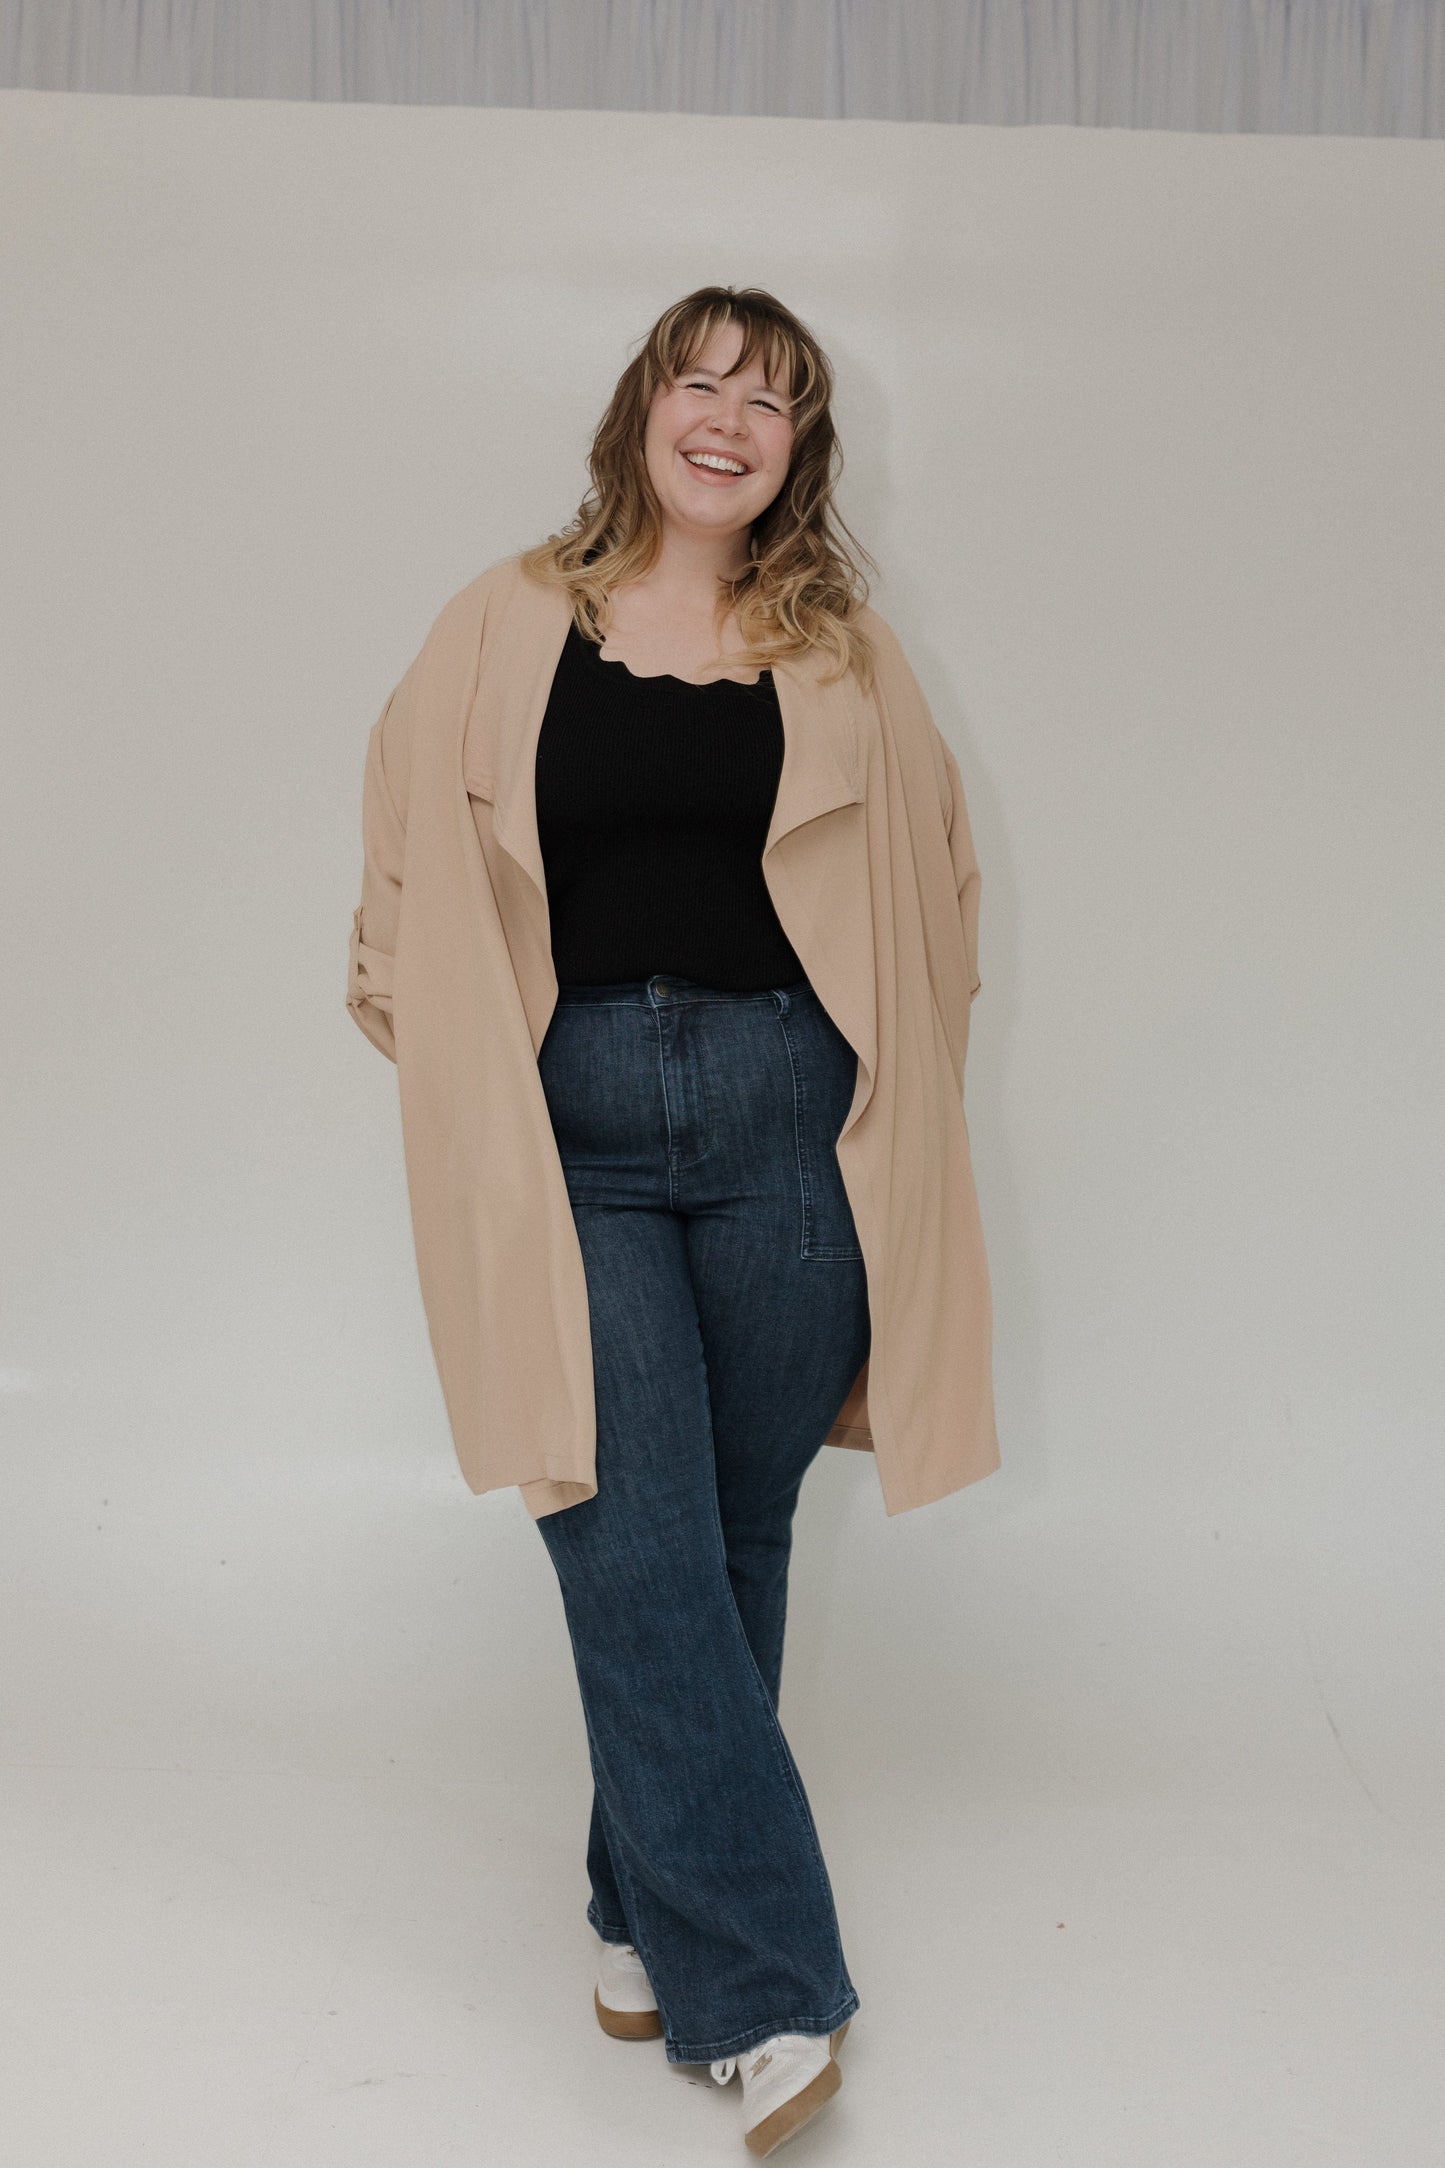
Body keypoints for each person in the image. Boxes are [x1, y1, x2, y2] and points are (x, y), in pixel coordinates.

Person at [347, 283, 998, 2157]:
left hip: (791, 1118)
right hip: (571, 1135)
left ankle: (634, 1904)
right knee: (623, 1530)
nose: (727, 419)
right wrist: (445, 1062)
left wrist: (888, 1099)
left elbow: (935, 891)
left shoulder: (843, 654)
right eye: (698, 382)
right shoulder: (503, 618)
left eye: (768, 402)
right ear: (641, 409)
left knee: (727, 1534)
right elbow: (401, 868)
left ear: (799, 453)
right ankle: (764, 1987)